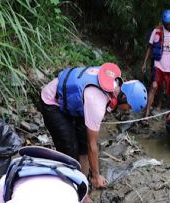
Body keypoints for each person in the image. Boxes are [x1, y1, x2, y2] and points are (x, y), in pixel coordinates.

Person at [38, 63, 147, 193]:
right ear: (124, 97)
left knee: (83, 144)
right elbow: (92, 145)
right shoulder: (98, 102)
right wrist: (97, 175)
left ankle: (83, 186)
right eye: (129, 107)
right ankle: (69, 191)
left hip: (77, 103)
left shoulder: (114, 83)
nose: (128, 111)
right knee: (70, 151)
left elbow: (87, 144)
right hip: (53, 101)